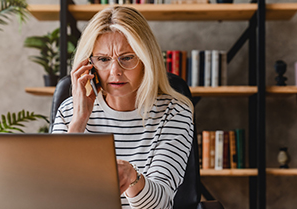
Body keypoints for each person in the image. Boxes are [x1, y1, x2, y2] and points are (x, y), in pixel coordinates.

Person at [52, 6, 194, 209]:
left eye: (127, 58)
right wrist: (79, 121)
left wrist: (132, 177)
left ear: (147, 59)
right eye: (103, 59)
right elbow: (54, 195)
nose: (115, 71)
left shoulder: (174, 112)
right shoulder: (69, 111)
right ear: (88, 64)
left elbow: (159, 205)